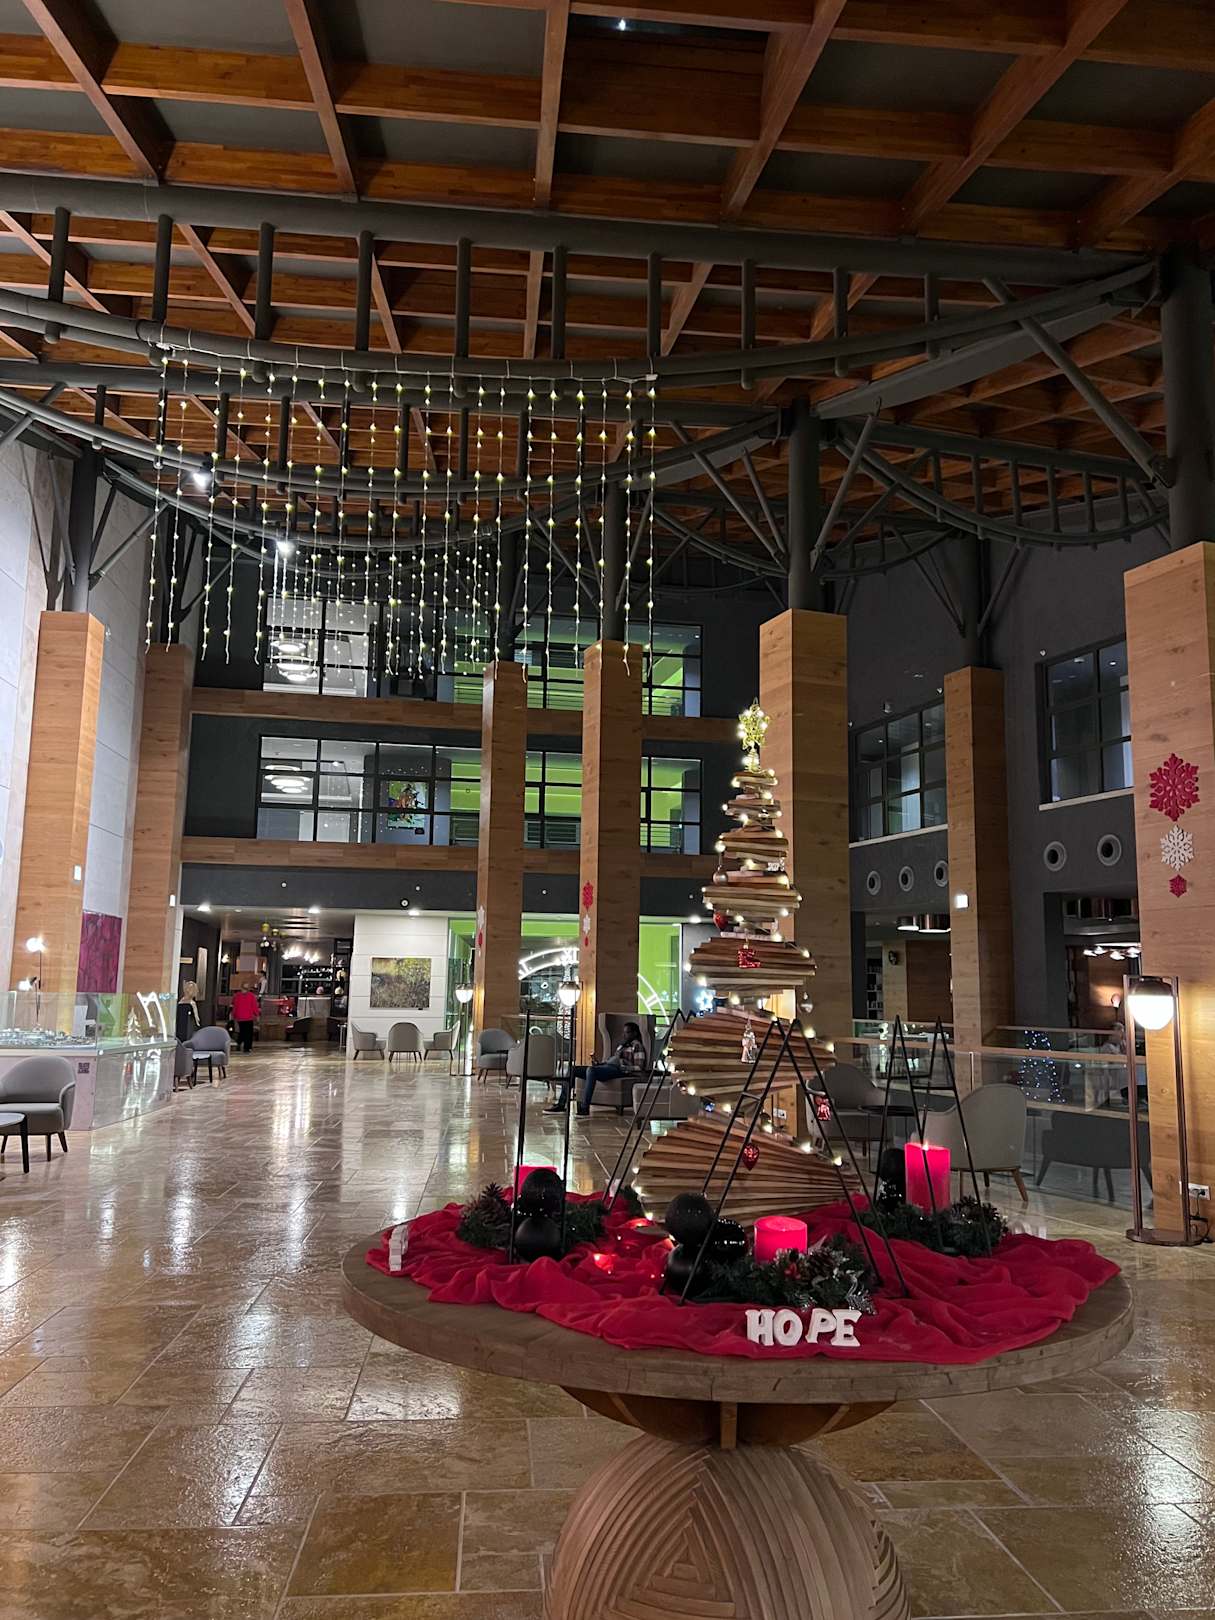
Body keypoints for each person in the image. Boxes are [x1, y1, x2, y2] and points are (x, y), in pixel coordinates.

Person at [545, 1021, 648, 1117]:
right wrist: (600, 1064)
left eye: (627, 1032)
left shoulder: (637, 1046)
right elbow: (612, 1060)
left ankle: (584, 1107)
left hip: (620, 1070)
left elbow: (639, 1067)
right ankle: (561, 1104)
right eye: (624, 1032)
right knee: (573, 1069)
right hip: (609, 1066)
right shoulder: (622, 1046)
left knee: (591, 1071)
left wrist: (622, 1065)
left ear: (634, 1033)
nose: (624, 1035)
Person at [231, 985, 260, 1054]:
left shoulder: (237, 996)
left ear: (241, 988)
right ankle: (247, 1048)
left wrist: (233, 1015)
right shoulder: (251, 996)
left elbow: (235, 1006)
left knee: (242, 1031)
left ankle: (239, 1042)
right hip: (249, 1017)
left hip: (240, 1017)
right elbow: (254, 1006)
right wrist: (257, 1015)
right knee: (248, 1033)